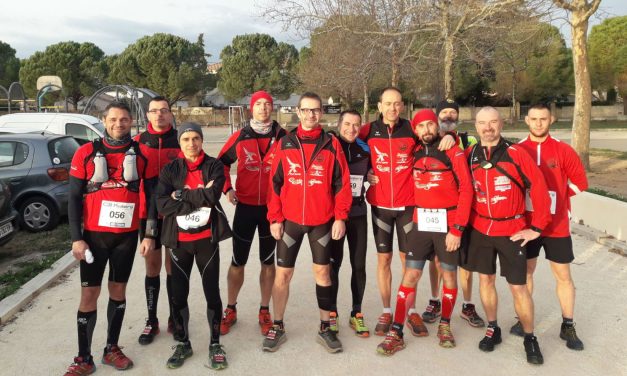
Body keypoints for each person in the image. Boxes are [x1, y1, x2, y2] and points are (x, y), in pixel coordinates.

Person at [65, 101, 152, 375]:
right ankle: (83, 358)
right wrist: (76, 238)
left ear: (131, 122)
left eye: (124, 119)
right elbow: (73, 198)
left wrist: (148, 234)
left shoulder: (142, 154)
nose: (119, 124)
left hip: (125, 239)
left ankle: (111, 348)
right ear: (104, 120)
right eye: (113, 119)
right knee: (89, 294)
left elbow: (150, 199)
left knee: (118, 292)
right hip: (93, 238)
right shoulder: (85, 153)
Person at [377, 109, 473, 355]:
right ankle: (396, 331)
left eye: (431, 125)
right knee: (410, 276)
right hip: (421, 223)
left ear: (437, 126)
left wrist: (458, 229)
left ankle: (445, 325)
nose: (426, 130)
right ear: (415, 130)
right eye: (421, 127)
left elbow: (467, 191)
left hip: (449, 225)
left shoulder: (453, 150)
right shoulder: (413, 151)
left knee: (449, 276)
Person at [360, 87, 455, 336]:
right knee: (384, 259)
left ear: (402, 106)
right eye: (388, 104)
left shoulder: (411, 130)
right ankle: (387, 309)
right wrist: (366, 171)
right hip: (380, 206)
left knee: (408, 262)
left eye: (397, 104)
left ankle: (410, 310)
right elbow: (350, 143)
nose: (393, 108)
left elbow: (434, 135)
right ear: (379, 106)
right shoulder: (368, 130)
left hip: (408, 207)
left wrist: (452, 137)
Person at [263, 92, 352, 353]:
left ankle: (325, 327)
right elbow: (275, 184)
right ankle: (277, 325)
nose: (311, 115)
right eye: (306, 110)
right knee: (283, 275)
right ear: (298, 112)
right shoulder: (286, 143)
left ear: (321, 112)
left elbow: (342, 184)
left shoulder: (331, 144)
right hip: (290, 222)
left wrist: (340, 217)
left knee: (323, 273)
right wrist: (275, 218)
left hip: (321, 222)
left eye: (315, 110)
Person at [464, 106, 551, 365]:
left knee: (518, 287)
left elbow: (539, 189)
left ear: (501, 124)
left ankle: (529, 336)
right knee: (486, 281)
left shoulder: (516, 153)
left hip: (512, 230)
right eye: (482, 123)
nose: (487, 127)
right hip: (481, 229)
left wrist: (536, 227)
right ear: (476, 126)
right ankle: (493, 327)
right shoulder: (469, 155)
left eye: (493, 122)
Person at [510, 103, 588, 351]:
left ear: (551, 120)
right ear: (526, 120)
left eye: (543, 119)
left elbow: (580, 182)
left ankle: (567, 323)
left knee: (563, 276)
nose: (539, 123)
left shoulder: (563, 150)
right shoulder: (517, 150)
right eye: (534, 119)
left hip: (557, 227)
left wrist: (561, 198)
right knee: (526, 273)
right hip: (527, 224)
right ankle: (525, 319)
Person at [155, 122, 232, 370]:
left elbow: (213, 196)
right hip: (179, 243)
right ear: (180, 142)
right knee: (178, 295)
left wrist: (179, 196)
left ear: (202, 140)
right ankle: (183, 342)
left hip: (206, 241)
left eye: (196, 138)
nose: (191, 143)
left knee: (212, 293)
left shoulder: (214, 166)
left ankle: (214, 343)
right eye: (186, 139)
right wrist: (197, 196)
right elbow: (162, 206)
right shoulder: (170, 169)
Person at [218, 90, 285, 336]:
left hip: (272, 210)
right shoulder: (240, 136)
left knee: (268, 263)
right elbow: (220, 164)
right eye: (259, 104)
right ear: (251, 108)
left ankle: (264, 309)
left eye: (268, 104)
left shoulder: (283, 137)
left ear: (272, 108)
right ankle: (231, 308)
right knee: (238, 261)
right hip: (245, 208)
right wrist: (227, 188)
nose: (264, 108)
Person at [423, 99, 485, 328]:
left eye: (453, 112)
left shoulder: (468, 140)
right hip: (438, 210)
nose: (448, 116)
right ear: (437, 116)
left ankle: (468, 305)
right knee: (436, 259)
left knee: (465, 262)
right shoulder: (429, 138)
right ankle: (434, 300)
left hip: (465, 208)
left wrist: (454, 140)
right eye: (444, 112)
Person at [134, 96, 180, 345]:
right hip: (146, 216)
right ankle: (152, 320)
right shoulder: (138, 142)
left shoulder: (182, 140)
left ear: (171, 114)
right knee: (152, 268)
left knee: (173, 268)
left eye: (164, 111)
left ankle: (175, 317)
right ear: (148, 115)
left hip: (173, 215)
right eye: (154, 111)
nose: (159, 115)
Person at [328, 110, 371, 337]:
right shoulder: (329, 144)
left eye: (356, 125)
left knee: (359, 265)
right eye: (347, 124)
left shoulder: (365, 148)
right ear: (339, 124)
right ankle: (331, 313)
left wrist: (372, 174)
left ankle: (357, 313)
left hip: (357, 214)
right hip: (334, 217)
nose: (351, 129)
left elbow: (373, 170)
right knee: (333, 265)